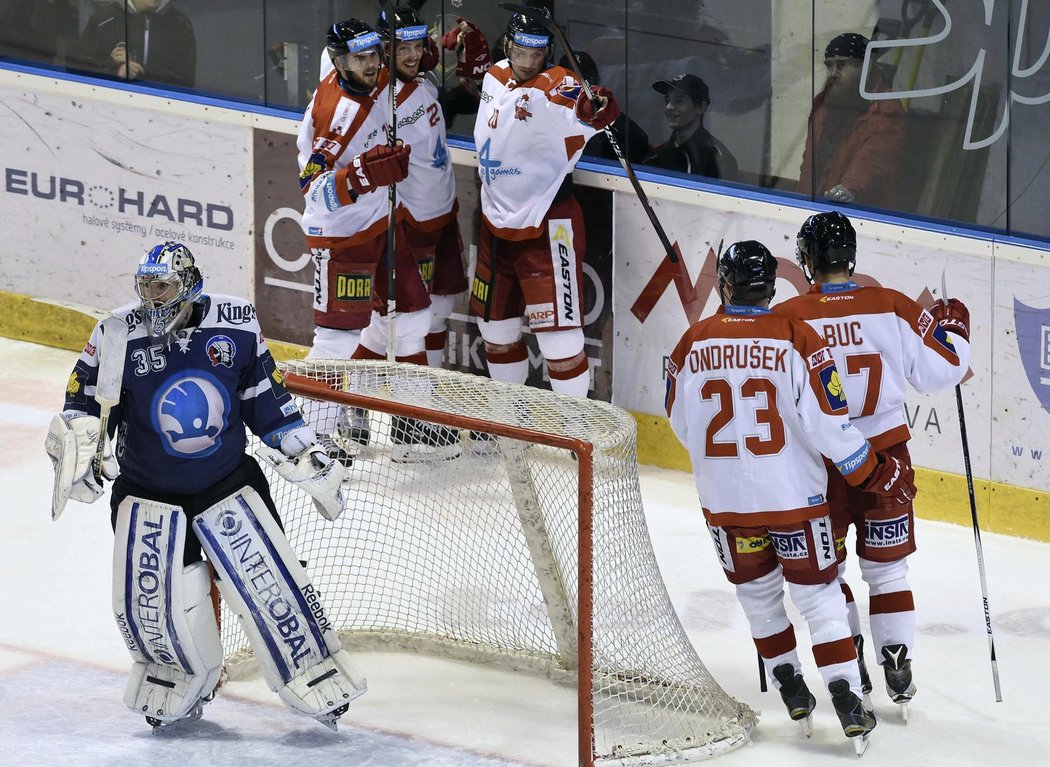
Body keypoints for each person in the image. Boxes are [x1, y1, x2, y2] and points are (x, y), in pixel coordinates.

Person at [43, 241, 365, 731]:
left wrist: (300, 450)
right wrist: (78, 447)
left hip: (227, 483)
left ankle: (312, 669)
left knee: (267, 584)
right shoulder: (115, 333)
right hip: (148, 492)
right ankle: (175, 679)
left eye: (163, 286)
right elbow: (86, 403)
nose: (153, 296)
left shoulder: (235, 322)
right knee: (159, 602)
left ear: (188, 283)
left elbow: (265, 396)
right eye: (146, 286)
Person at [665, 241, 916, 748]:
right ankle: (846, 696)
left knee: (758, 598)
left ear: (725, 286)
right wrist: (871, 473)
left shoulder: (691, 343)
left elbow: (680, 423)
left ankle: (791, 687)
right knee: (819, 597)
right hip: (793, 500)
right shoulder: (796, 336)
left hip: (726, 505)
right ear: (773, 286)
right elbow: (831, 424)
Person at [775, 210, 971, 716]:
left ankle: (853, 661)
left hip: (822, 465)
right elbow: (947, 368)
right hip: (887, 458)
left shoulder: (791, 315)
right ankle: (898, 665)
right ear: (851, 257)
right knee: (888, 572)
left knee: (828, 572)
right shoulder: (891, 305)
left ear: (809, 261)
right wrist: (955, 329)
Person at [462, 8, 621, 397]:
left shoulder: (557, 85)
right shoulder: (496, 75)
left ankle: (573, 436)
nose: (527, 62)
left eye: (536, 54)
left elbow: (584, 106)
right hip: (494, 225)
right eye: (520, 52)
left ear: (547, 53)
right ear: (508, 47)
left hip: (548, 226)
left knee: (560, 342)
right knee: (494, 331)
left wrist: (597, 104)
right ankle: (511, 425)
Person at [297, 19, 433, 459]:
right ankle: (312, 435)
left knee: (413, 317)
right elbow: (312, 190)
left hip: (381, 223)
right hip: (341, 237)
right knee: (337, 338)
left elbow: (415, 63)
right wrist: (363, 175)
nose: (374, 64)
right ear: (339, 62)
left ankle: (411, 427)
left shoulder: (373, 78)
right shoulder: (337, 112)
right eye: (362, 57)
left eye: (376, 54)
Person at [795, 33, 905, 207]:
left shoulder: (885, 107)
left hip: (860, 212)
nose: (833, 73)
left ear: (866, 67)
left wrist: (848, 189)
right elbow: (809, 163)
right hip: (815, 207)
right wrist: (799, 205)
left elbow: (875, 160)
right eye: (829, 66)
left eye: (841, 65)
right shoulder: (822, 104)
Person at [70, 0, 196, 88]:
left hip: (162, 109)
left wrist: (140, 71)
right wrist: (114, 68)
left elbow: (185, 78)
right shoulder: (105, 18)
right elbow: (73, 63)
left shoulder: (180, 25)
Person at [557, 51, 650, 164]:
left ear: (597, 83)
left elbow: (639, 145)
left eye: (585, 82)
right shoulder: (540, 113)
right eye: (571, 83)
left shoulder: (616, 125)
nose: (579, 89)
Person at [642, 73, 738, 181]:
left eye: (679, 101)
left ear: (701, 108)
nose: (669, 107)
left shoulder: (719, 158)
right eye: (667, 101)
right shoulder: (656, 157)